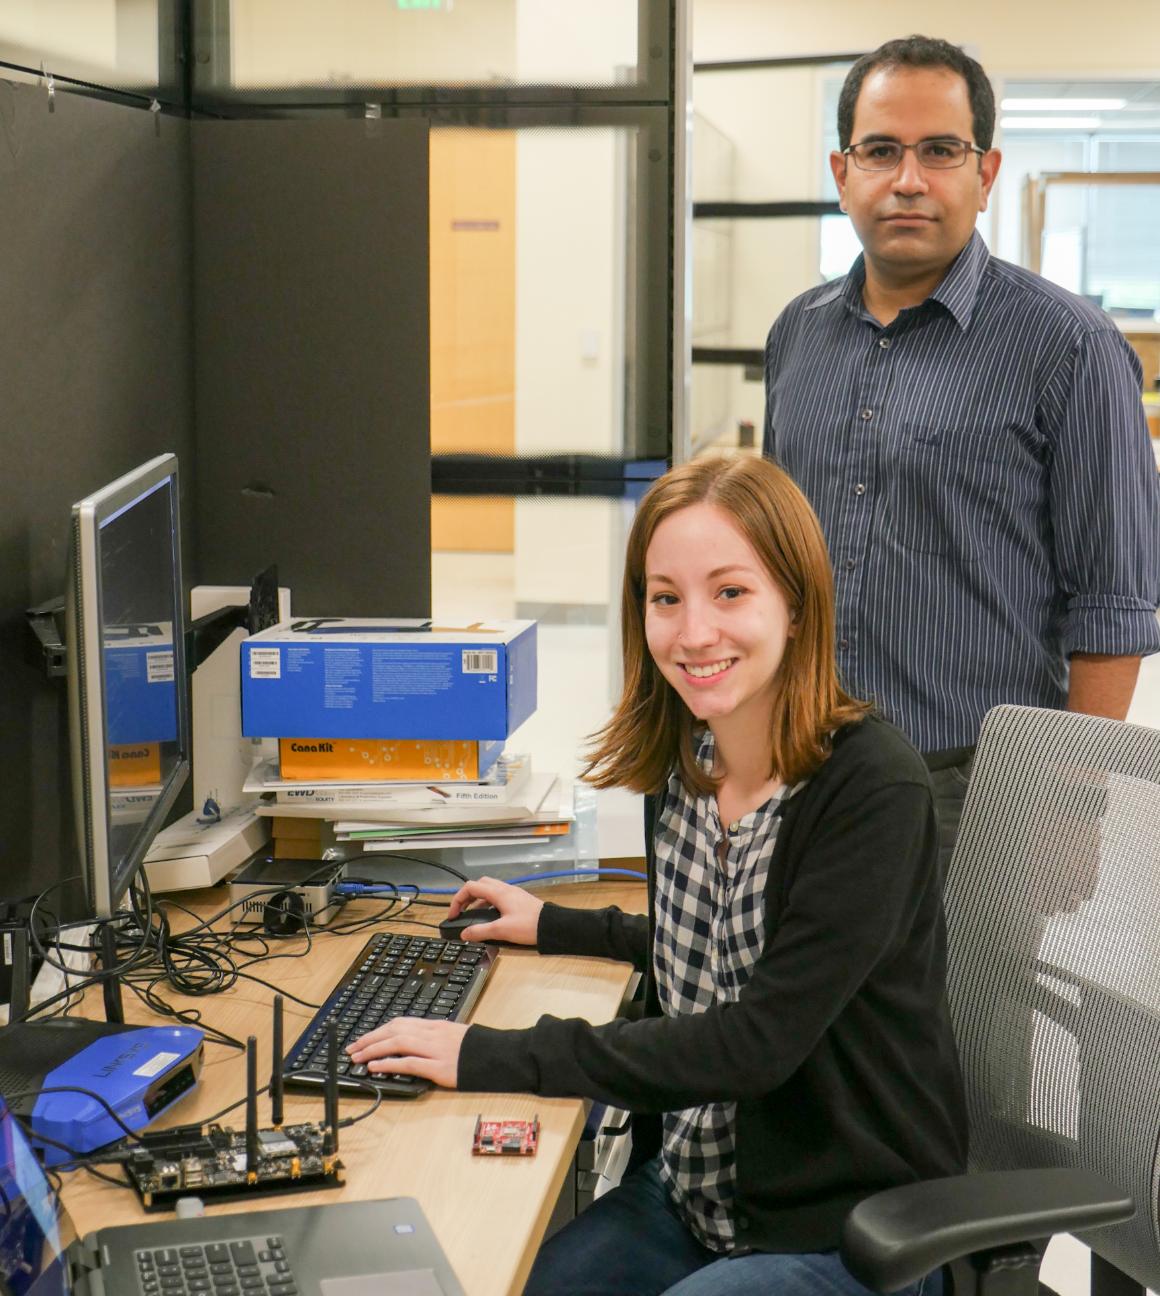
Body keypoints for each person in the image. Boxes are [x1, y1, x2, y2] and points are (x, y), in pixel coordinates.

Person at [347, 455, 967, 1296]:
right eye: (665, 597)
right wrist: (559, 925)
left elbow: (756, 1042)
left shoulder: (869, 789)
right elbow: (716, 944)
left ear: (797, 603)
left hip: (845, 1228)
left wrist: (492, 1053)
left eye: (730, 593)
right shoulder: (690, 759)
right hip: (692, 1194)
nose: (693, 632)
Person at [762, 34, 1160, 867]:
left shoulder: (1070, 347)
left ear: (985, 173)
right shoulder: (797, 334)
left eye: (941, 150)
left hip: (976, 787)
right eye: (881, 151)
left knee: (964, 1003)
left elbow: (1113, 604)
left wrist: (1069, 803)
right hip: (804, 763)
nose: (908, 180)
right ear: (843, 174)